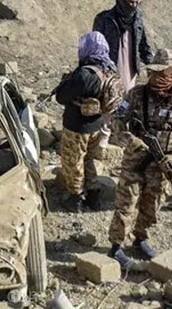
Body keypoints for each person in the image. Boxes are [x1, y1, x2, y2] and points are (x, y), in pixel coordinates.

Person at [108, 49, 172, 268]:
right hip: (135, 161)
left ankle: (140, 239)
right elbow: (117, 120)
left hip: (162, 165)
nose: (156, 78)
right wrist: (132, 141)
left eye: (163, 74)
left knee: (152, 205)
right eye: (154, 73)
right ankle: (116, 246)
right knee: (126, 204)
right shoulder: (136, 94)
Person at [55, 32, 123, 213]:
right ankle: (93, 195)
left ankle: (75, 198)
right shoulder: (109, 69)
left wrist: (66, 82)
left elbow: (61, 97)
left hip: (77, 126)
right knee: (89, 160)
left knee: (73, 162)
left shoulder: (85, 74)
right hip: (97, 124)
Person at [93, 0, 154, 93]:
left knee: (127, 96)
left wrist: (151, 65)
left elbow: (143, 43)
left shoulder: (137, 19)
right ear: (123, 2)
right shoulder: (104, 19)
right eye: (131, 2)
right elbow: (96, 45)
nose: (134, 5)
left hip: (130, 68)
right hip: (110, 67)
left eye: (136, 2)